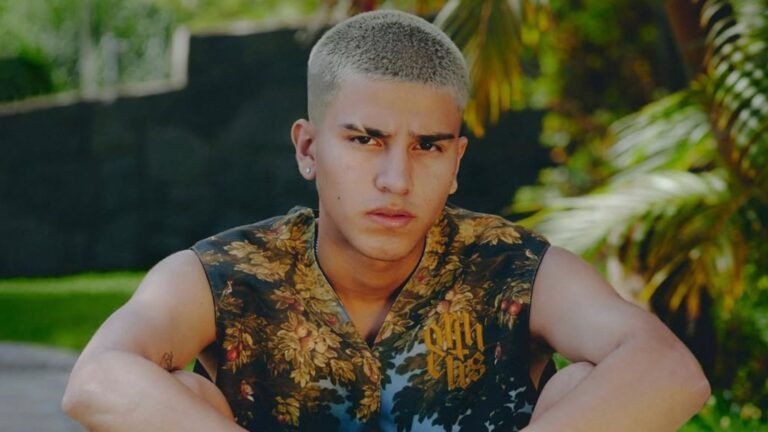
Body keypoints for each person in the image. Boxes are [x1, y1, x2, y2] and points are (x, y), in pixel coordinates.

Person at [62, 9, 710, 432]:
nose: (397, 179)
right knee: (177, 392)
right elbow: (96, 378)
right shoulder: (229, 276)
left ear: (456, 162)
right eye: (366, 140)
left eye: (428, 146)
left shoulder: (512, 269)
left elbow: (668, 368)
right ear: (308, 149)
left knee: (591, 385)